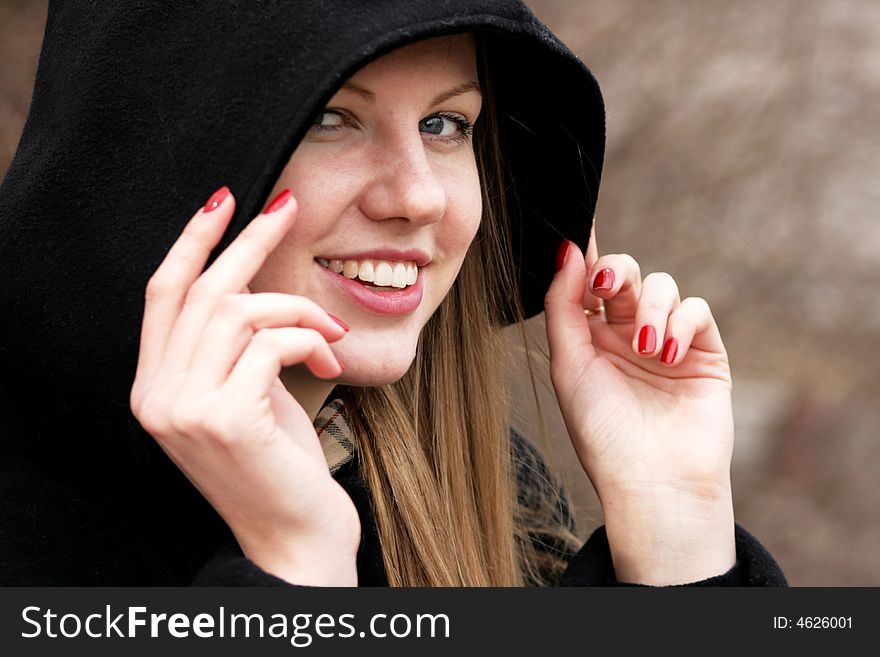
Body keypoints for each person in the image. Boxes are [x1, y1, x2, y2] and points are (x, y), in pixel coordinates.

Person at [0, 0, 785, 587]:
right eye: (334, 118)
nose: (418, 197)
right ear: (159, 150)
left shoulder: (473, 487)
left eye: (447, 124)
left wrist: (678, 537)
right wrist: (297, 568)